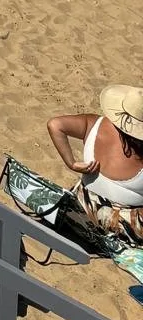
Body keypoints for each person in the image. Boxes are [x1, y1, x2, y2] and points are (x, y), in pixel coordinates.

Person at [47, 87, 143, 243]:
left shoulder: (94, 123)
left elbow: (55, 124)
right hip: (123, 229)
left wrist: (72, 163)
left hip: (81, 210)